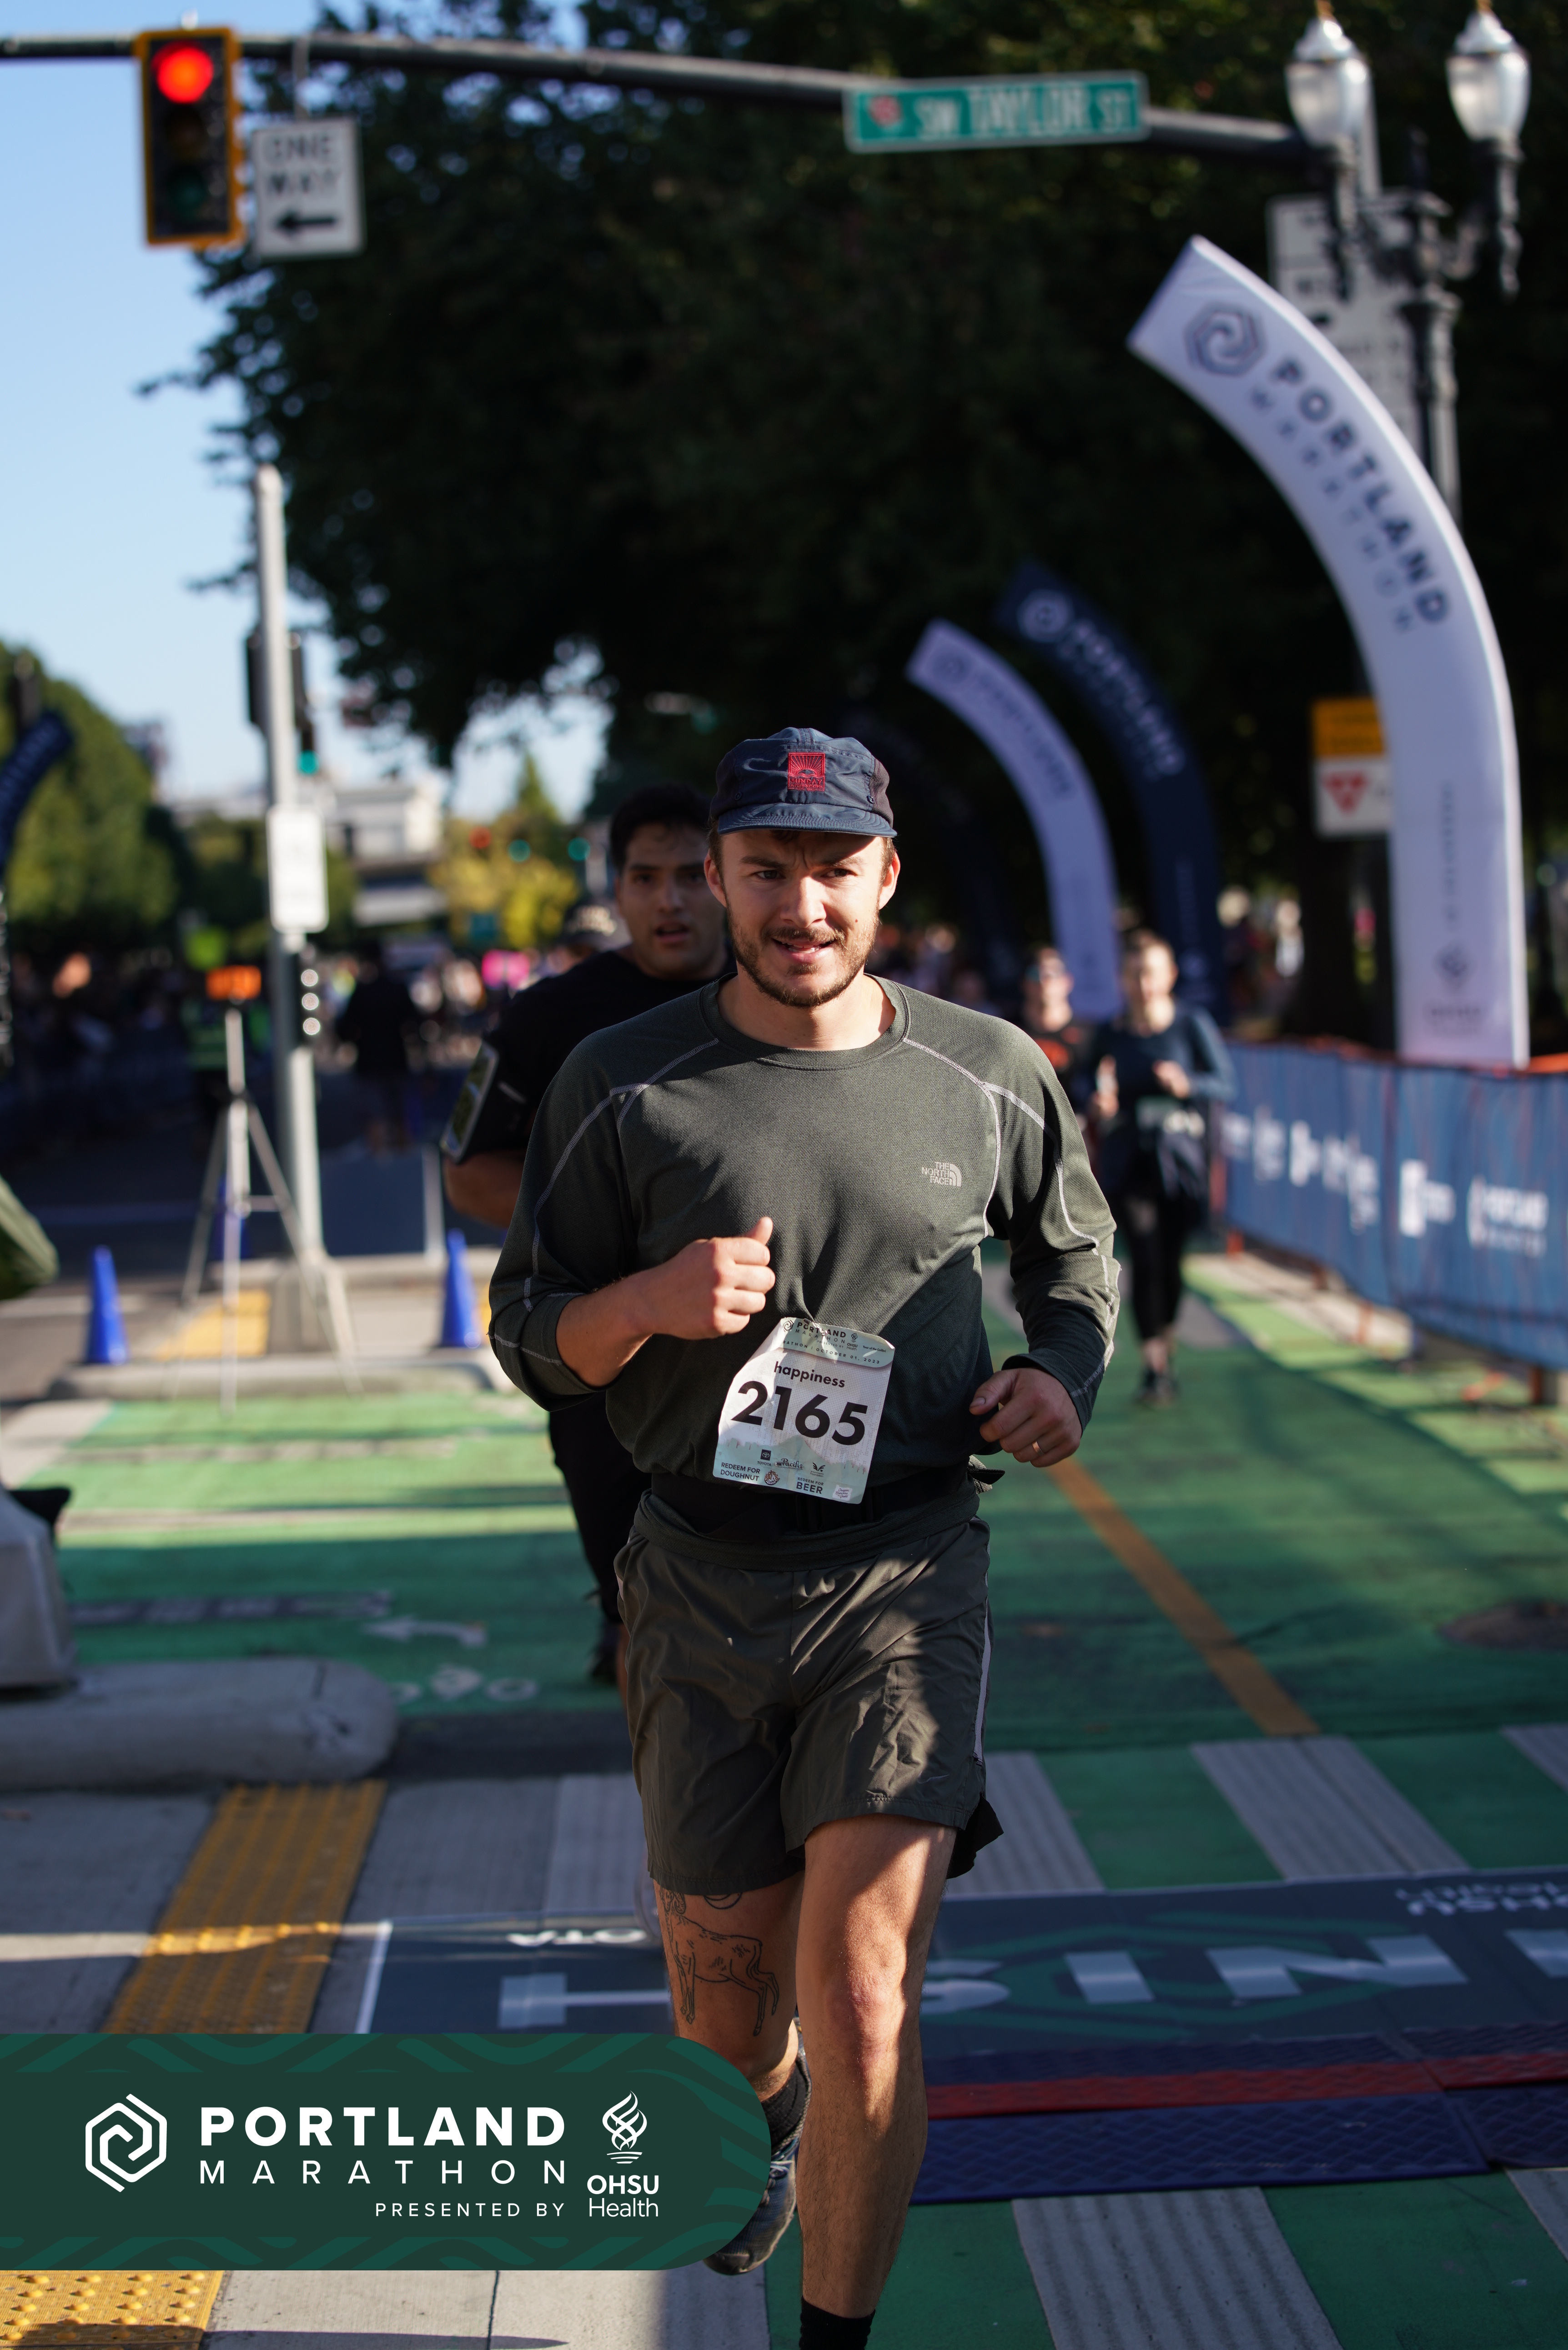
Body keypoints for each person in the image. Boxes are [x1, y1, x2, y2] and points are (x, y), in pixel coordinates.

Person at [489, 728, 1117, 2348]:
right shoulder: (620, 1078)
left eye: (834, 867)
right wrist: (646, 1299)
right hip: (693, 1575)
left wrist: (1059, 1375)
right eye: (764, 868)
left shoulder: (986, 1066)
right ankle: (757, 2113)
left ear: (885, 876)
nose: (800, 903)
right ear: (717, 876)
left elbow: (1076, 1262)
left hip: (906, 1573)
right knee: (724, 2018)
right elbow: (531, 1331)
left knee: (861, 1991)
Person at [442, 782, 730, 1687]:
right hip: (608, 1359)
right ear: (616, 890)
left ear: (725, 877)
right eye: (644, 878)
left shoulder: (789, 990)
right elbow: (467, 1171)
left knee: (781, 1599)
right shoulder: (549, 1016)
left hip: (768, 1358)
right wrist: (622, 1250)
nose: (668, 900)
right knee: (641, 1606)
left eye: (689, 875)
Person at [1089, 929, 1235, 1406]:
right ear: (1123, 979)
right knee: (1145, 1256)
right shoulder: (1111, 1032)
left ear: (1169, 976)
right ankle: (1154, 1366)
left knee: (1170, 1262)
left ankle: (1165, 1347)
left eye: (1150, 973)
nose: (1143, 984)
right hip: (1129, 1162)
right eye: (1134, 974)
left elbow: (1224, 1081)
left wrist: (1186, 1083)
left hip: (1180, 1163)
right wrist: (1098, 1101)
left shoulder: (1190, 1025)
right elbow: (1083, 1083)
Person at [336, 946, 418, 1146]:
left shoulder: (362, 992)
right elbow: (414, 1024)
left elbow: (345, 1028)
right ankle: (402, 1153)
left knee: (374, 1116)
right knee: (399, 1114)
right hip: (396, 1058)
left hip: (369, 1061)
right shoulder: (397, 989)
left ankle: (380, 1156)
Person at [1020, 947, 1091, 1102]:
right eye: (1035, 974)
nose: (1043, 981)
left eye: (1052, 974)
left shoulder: (1089, 1035)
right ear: (1024, 982)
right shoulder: (1009, 1030)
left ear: (1067, 981)